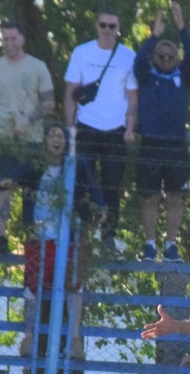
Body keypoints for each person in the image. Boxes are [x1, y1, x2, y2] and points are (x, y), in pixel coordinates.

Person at [0, 124, 105, 357]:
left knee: (74, 286)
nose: (57, 140)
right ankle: (29, 337)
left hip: (68, 237)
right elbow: (13, 176)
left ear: (67, 142)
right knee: (32, 285)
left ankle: (74, 340)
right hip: (39, 238)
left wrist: (100, 207)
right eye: (53, 135)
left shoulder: (76, 164)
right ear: (46, 140)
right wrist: (7, 181)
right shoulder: (36, 165)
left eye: (61, 136)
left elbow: (94, 187)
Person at [64, 8, 138, 254]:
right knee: (81, 182)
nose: (107, 30)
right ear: (97, 26)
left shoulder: (128, 56)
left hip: (115, 129)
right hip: (85, 126)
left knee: (112, 184)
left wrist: (131, 127)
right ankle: (81, 233)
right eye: (103, 25)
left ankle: (108, 236)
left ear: (118, 29)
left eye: (112, 26)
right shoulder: (81, 52)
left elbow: (132, 97)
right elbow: (70, 93)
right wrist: (69, 126)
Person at [0, 21, 55, 255]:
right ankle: (1, 238)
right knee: (2, 186)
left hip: (31, 140)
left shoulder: (37, 67)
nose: (8, 43)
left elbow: (49, 103)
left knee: (30, 190)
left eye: (13, 39)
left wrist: (28, 120)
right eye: (5, 39)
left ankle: (31, 241)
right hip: (2, 138)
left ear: (21, 39)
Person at [134, 2, 190, 263]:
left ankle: (171, 245)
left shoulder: (182, 77)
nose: (166, 60)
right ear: (155, 58)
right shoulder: (146, 75)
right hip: (150, 144)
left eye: (171, 57)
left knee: (175, 197)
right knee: (149, 197)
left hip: (176, 146)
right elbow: (139, 59)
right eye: (161, 56)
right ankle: (149, 245)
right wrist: (155, 36)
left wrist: (181, 26)